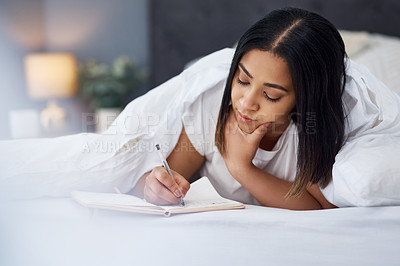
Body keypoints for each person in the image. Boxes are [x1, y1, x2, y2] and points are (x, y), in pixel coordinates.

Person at [131, 7, 400, 210]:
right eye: (242, 79)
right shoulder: (211, 105)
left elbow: (322, 209)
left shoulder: (311, 129)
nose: (246, 103)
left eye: (271, 95)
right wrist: (153, 187)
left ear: (305, 98)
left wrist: (242, 169)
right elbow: (168, 177)